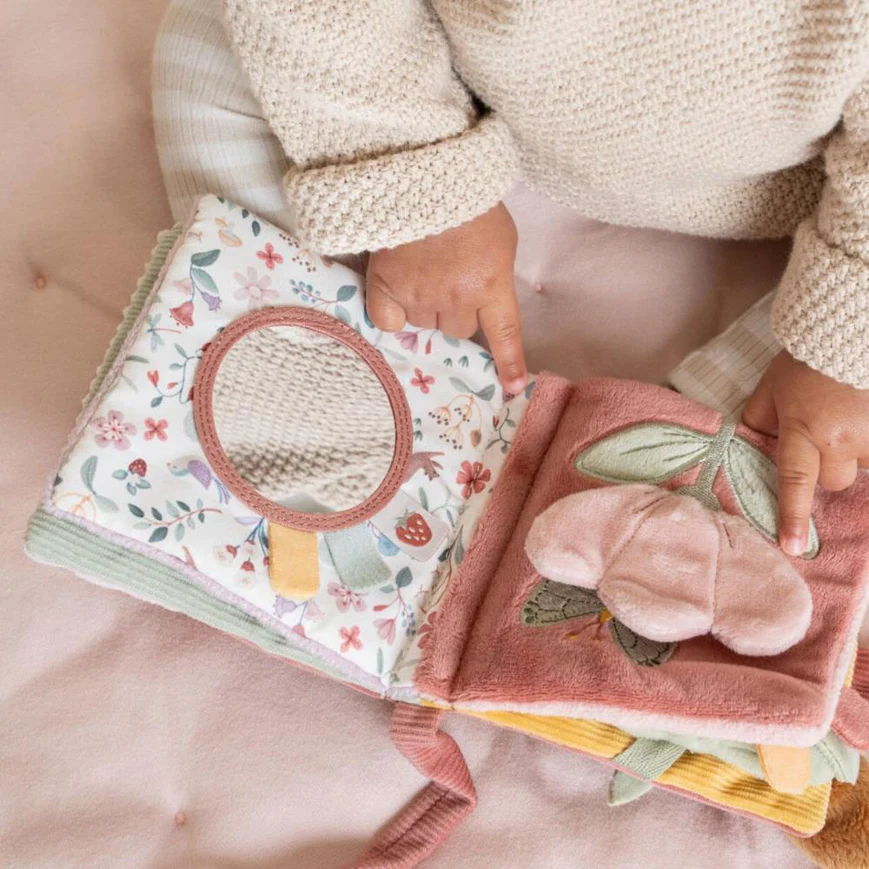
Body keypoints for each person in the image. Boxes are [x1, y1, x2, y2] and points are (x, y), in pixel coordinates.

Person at [154, 0, 869, 560]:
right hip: (456, 83)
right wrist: (412, 178)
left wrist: (838, 351)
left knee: (838, 371)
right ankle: (300, 373)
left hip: (789, 169)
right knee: (212, 37)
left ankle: (673, 454)